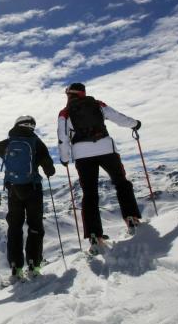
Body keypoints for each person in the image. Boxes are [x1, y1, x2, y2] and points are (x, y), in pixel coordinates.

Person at [57, 82, 142, 254]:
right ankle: (131, 217)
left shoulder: (65, 113)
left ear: (69, 95)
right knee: (121, 183)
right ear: (83, 93)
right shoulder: (97, 104)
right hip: (106, 148)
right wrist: (135, 124)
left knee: (90, 194)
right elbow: (118, 117)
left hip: (81, 154)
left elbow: (62, 137)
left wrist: (65, 158)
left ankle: (95, 235)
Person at [0, 115, 56, 281]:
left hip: (13, 191)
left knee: (15, 227)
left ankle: (16, 267)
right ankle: (34, 265)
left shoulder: (8, 143)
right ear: (32, 127)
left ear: (16, 125)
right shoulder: (36, 142)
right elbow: (49, 169)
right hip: (33, 189)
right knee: (35, 226)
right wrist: (48, 170)